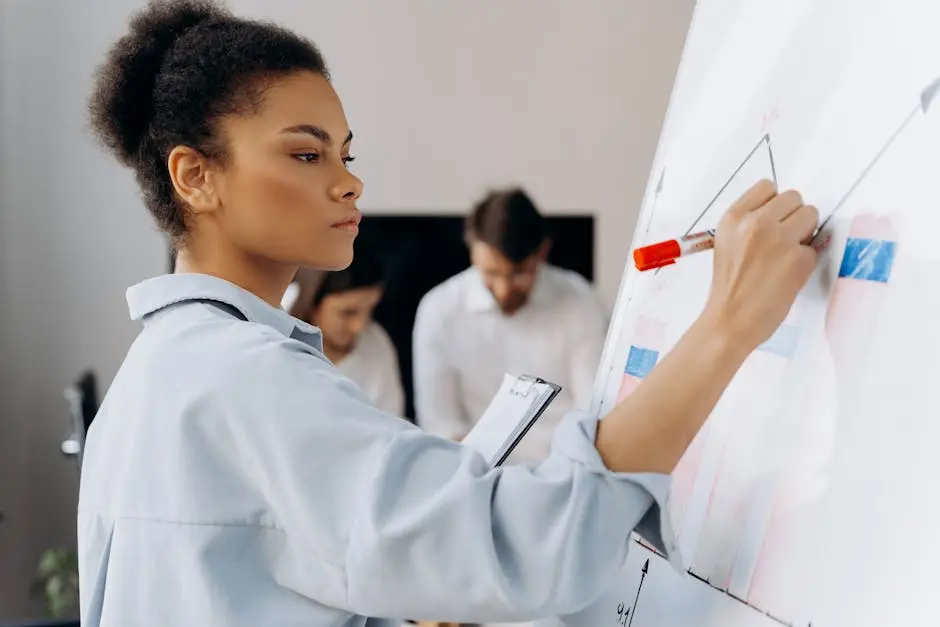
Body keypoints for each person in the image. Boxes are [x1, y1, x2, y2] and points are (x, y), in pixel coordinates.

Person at [76, 2, 820, 626]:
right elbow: (532, 545)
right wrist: (727, 321)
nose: (348, 183)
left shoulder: (149, 381)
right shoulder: (248, 380)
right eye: (307, 156)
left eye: (346, 154)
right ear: (195, 176)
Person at [412, 188, 608, 462]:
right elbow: (440, 424)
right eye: (491, 273)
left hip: (563, 471)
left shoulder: (581, 302)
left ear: (542, 252)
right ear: (472, 248)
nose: (504, 291)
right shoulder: (439, 310)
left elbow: (592, 411)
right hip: (475, 476)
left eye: (518, 274)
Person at [288, 258, 405, 416]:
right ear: (311, 303)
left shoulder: (376, 344)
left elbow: (391, 424)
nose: (359, 326)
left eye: (370, 310)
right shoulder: (265, 323)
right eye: (348, 313)